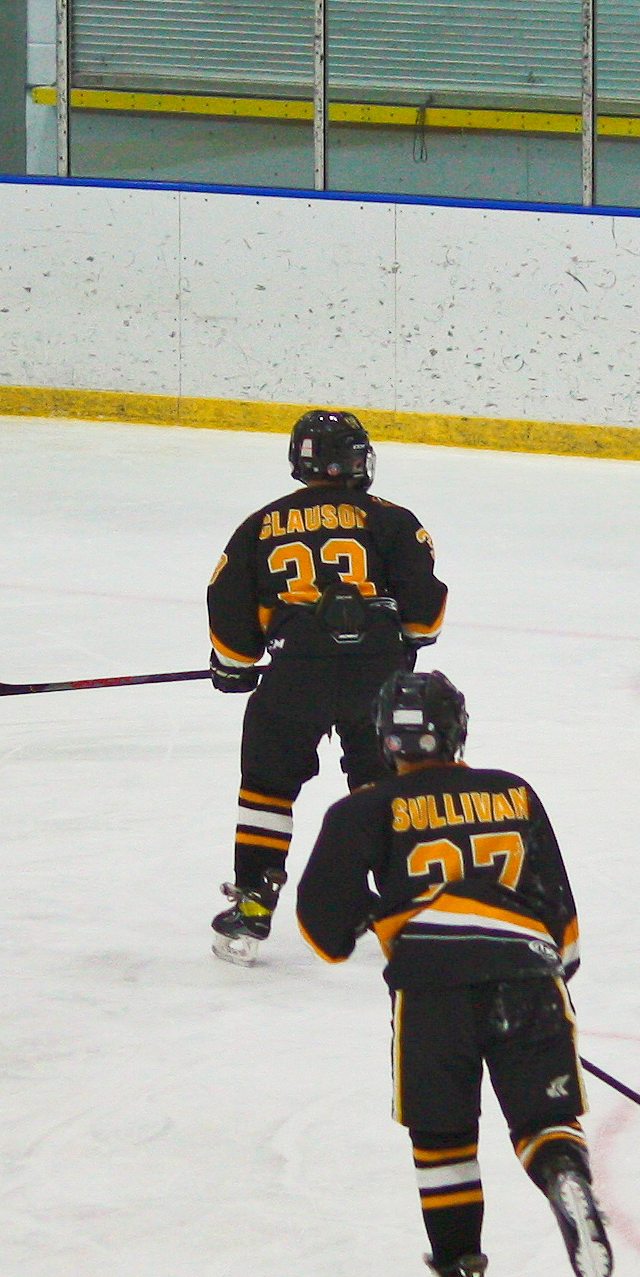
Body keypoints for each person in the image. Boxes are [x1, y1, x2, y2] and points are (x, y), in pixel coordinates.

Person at [294, 668, 608, 1277]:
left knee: (444, 1143)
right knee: (543, 1120)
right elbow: (564, 925)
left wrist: (370, 913)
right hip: (528, 977)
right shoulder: (513, 791)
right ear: (458, 730)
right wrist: (544, 982)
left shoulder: (363, 810)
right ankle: (564, 1172)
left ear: (386, 739)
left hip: (433, 991)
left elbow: (322, 931)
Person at [205, 411, 448, 961]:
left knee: (267, 786)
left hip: (296, 674)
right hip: (378, 677)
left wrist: (235, 663)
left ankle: (254, 901)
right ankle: (406, 900)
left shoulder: (260, 524)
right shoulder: (392, 519)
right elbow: (424, 617)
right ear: (356, 460)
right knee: (383, 784)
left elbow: (229, 604)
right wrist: (400, 639)